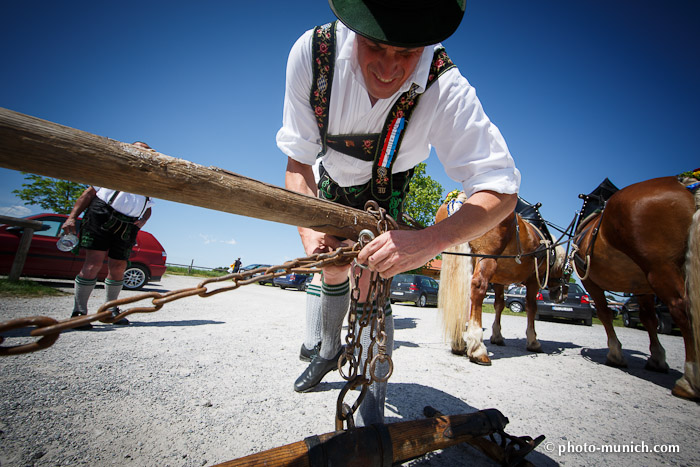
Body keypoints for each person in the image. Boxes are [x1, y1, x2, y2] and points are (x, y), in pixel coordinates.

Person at [278, 0, 520, 426]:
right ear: (352, 27)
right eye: (375, 46)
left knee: (374, 278)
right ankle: (328, 351)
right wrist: (308, 229)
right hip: (329, 184)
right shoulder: (312, 54)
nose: (389, 69)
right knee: (332, 271)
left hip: (387, 193)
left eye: (406, 53)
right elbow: (298, 163)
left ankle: (375, 390)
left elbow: (501, 189)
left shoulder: (445, 85)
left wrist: (428, 240)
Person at [62, 141, 155, 330]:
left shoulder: (151, 178)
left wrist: (144, 219)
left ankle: (110, 309)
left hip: (128, 223)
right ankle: (79, 312)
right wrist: (72, 217)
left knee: (119, 265)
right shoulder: (114, 168)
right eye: (138, 148)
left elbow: (149, 207)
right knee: (93, 262)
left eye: (146, 150)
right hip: (102, 214)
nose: (141, 151)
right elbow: (88, 194)